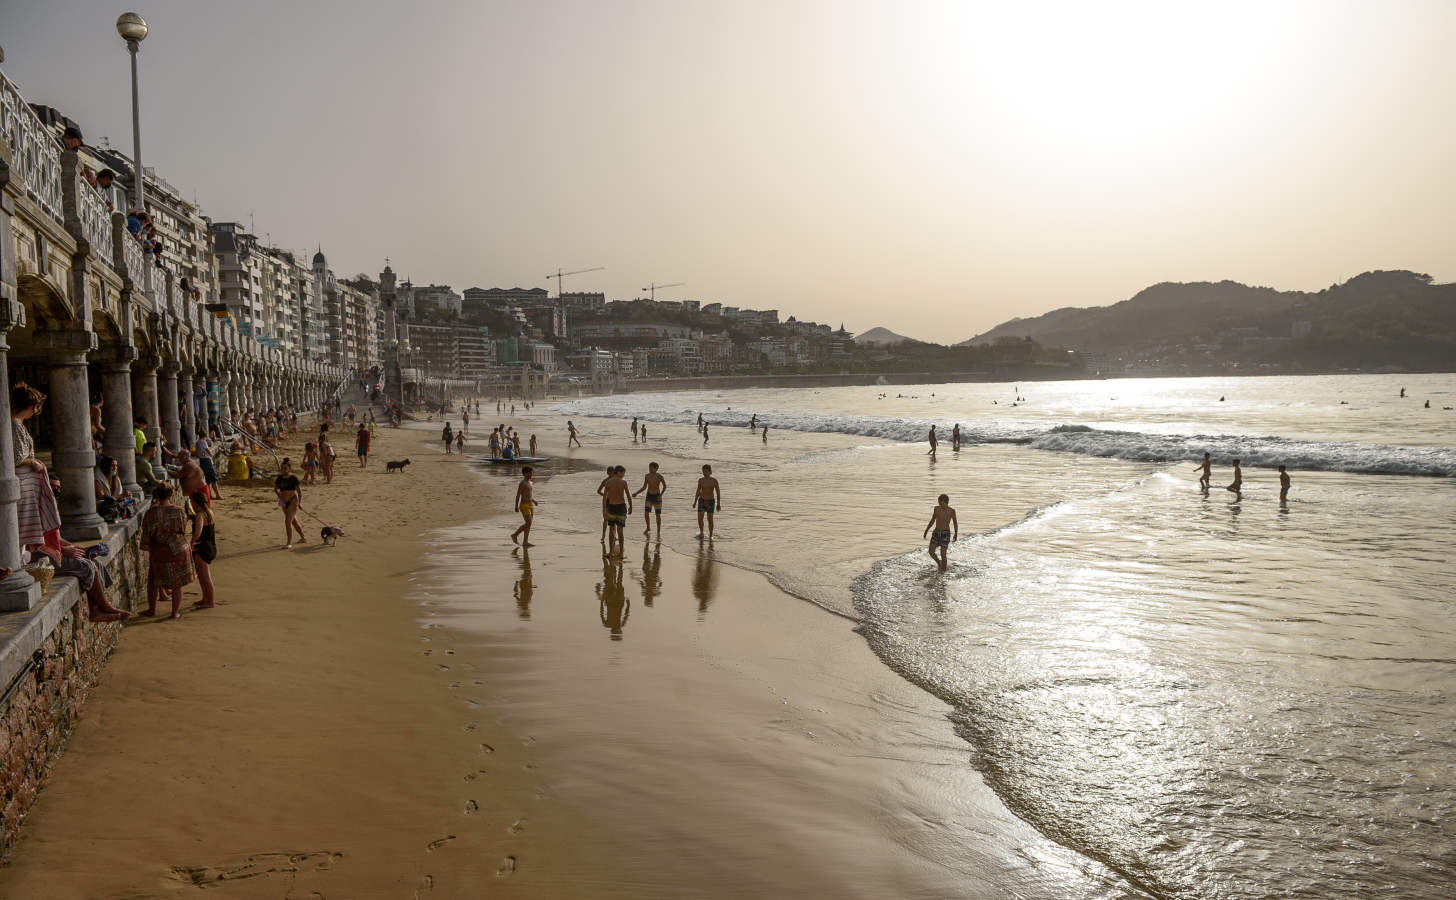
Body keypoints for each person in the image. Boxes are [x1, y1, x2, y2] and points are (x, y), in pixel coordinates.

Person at [11, 383, 62, 552]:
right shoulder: (14, 425)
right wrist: (33, 462)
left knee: (24, 526)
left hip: (26, 482)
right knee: (21, 526)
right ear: (34, 406)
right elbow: (16, 458)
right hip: (22, 481)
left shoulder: (17, 423)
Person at [141, 484, 193, 619]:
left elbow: (146, 536)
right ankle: (174, 612)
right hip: (178, 548)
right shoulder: (179, 510)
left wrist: (148, 546)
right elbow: (183, 529)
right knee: (177, 584)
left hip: (159, 550)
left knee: (153, 581)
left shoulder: (151, 513)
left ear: (156, 495)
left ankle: (152, 610)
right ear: (171, 495)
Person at [188, 489, 217, 609]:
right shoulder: (209, 512)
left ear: (195, 503)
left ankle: (210, 601)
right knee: (203, 575)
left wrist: (191, 542)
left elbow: (198, 533)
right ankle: (206, 598)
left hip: (202, 547)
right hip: (210, 546)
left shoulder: (200, 515)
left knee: (204, 577)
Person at [275, 459, 306, 549]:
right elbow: (275, 489)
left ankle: (289, 543)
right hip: (283, 502)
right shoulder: (279, 478)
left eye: (285, 468)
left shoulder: (293, 478)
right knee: (294, 522)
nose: (283, 470)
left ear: (289, 469)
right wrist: (279, 494)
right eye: (282, 468)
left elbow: (299, 492)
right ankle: (303, 537)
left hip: (293, 501)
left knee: (287, 522)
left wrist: (299, 503)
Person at [923, 493, 958, 572]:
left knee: (943, 554)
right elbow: (932, 520)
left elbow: (955, 523)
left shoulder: (951, 511)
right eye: (939, 503)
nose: (939, 504)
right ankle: (939, 563)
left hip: (945, 534)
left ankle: (943, 571)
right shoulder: (936, 509)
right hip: (936, 532)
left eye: (941, 503)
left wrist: (955, 534)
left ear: (945, 502)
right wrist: (926, 530)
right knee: (931, 551)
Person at [602, 466, 632, 556]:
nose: (623, 475)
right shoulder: (623, 482)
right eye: (623, 473)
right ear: (619, 472)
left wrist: (604, 510)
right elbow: (628, 496)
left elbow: (604, 498)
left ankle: (611, 552)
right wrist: (631, 506)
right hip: (621, 508)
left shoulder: (608, 482)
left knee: (611, 530)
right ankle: (621, 553)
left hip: (611, 507)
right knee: (620, 531)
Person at [634, 462, 666, 536]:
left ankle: (658, 531)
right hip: (649, 496)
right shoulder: (647, 476)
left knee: (657, 514)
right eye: (649, 468)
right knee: (646, 513)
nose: (650, 469)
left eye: (651, 468)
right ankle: (648, 527)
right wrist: (636, 493)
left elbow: (665, 486)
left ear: (656, 468)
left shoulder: (660, 476)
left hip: (657, 496)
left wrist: (661, 495)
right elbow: (644, 487)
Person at [693, 464, 721, 539]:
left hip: (710, 502)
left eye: (705, 471)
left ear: (710, 471)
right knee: (700, 517)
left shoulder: (714, 481)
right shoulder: (701, 480)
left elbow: (718, 492)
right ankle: (701, 532)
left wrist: (718, 504)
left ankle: (711, 535)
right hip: (702, 500)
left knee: (710, 519)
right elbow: (698, 491)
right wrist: (695, 501)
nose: (704, 472)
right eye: (703, 471)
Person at [511, 467, 535, 547]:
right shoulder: (522, 483)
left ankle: (525, 542)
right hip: (524, 505)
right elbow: (518, 495)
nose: (531, 474)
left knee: (529, 524)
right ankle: (515, 535)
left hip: (530, 505)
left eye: (531, 473)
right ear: (524, 474)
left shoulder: (531, 483)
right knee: (528, 522)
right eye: (529, 473)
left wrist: (534, 501)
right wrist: (516, 506)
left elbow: (529, 495)